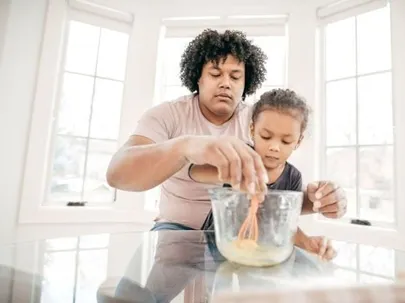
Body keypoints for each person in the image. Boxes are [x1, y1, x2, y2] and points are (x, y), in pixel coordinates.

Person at [106, 29, 346, 239]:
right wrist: (187, 147)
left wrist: (318, 201)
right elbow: (117, 173)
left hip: (240, 233)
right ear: (198, 77)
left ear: (246, 83)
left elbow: (272, 190)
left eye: (235, 76)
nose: (225, 83)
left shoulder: (260, 123)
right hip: (174, 230)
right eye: (215, 74)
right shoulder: (167, 115)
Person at [191, 88, 335, 260]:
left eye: (286, 141)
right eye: (266, 137)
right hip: (216, 245)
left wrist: (308, 243)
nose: (274, 146)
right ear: (252, 130)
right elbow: (194, 171)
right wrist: (231, 172)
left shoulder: (293, 178)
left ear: (298, 141)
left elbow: (286, 226)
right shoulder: (240, 155)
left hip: (259, 253)